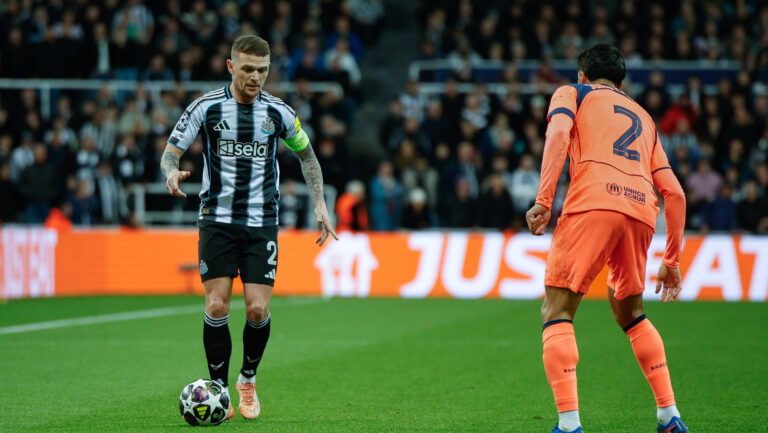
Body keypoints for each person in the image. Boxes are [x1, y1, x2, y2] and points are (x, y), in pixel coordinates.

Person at [161, 35, 337, 421]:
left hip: (261, 222)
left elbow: (308, 155)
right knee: (217, 304)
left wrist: (320, 203)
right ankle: (219, 390)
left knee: (257, 309)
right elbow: (171, 151)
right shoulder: (206, 107)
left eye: (262, 70)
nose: (255, 77)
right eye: (247, 69)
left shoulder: (279, 113)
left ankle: (247, 379)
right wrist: (171, 172)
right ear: (231, 67)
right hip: (217, 220)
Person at [525, 45, 688, 433]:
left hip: (593, 202)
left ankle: (569, 425)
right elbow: (676, 193)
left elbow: (558, 134)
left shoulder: (572, 93)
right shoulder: (645, 118)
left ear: (582, 74)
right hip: (640, 211)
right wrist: (671, 259)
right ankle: (669, 416)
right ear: (621, 82)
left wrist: (544, 200)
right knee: (631, 314)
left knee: (557, 310)